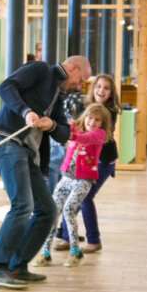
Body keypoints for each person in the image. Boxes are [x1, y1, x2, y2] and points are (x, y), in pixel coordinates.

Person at [0, 56, 92, 289]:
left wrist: (50, 125)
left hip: (26, 153)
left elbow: (64, 133)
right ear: (72, 69)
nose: (81, 86)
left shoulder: (58, 96)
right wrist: (26, 112)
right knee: (23, 205)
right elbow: (6, 86)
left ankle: (17, 267)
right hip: (5, 142)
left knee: (47, 210)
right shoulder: (41, 69)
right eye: (81, 79)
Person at [34, 103, 112, 268]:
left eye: (97, 120)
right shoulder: (75, 127)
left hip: (84, 180)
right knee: (53, 211)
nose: (92, 122)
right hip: (67, 177)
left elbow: (84, 139)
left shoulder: (99, 134)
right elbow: (61, 127)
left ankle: (75, 252)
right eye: (90, 118)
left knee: (69, 210)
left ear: (102, 123)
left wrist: (67, 134)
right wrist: (50, 124)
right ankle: (46, 253)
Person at [54, 74, 121, 253]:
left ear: (111, 93)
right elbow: (75, 125)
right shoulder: (84, 106)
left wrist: (73, 134)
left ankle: (93, 240)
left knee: (84, 197)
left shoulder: (109, 112)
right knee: (73, 196)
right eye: (99, 86)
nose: (101, 90)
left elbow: (89, 136)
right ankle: (67, 237)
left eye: (106, 88)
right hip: (85, 161)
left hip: (103, 161)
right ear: (93, 88)